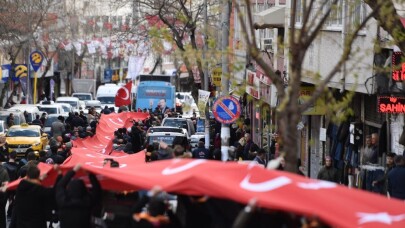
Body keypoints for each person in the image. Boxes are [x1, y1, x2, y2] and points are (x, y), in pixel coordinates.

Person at [56, 164, 101, 228]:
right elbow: (97, 190)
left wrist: (73, 170)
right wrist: (90, 174)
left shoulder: (63, 201)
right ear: (84, 189)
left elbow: (60, 186)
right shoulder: (88, 202)